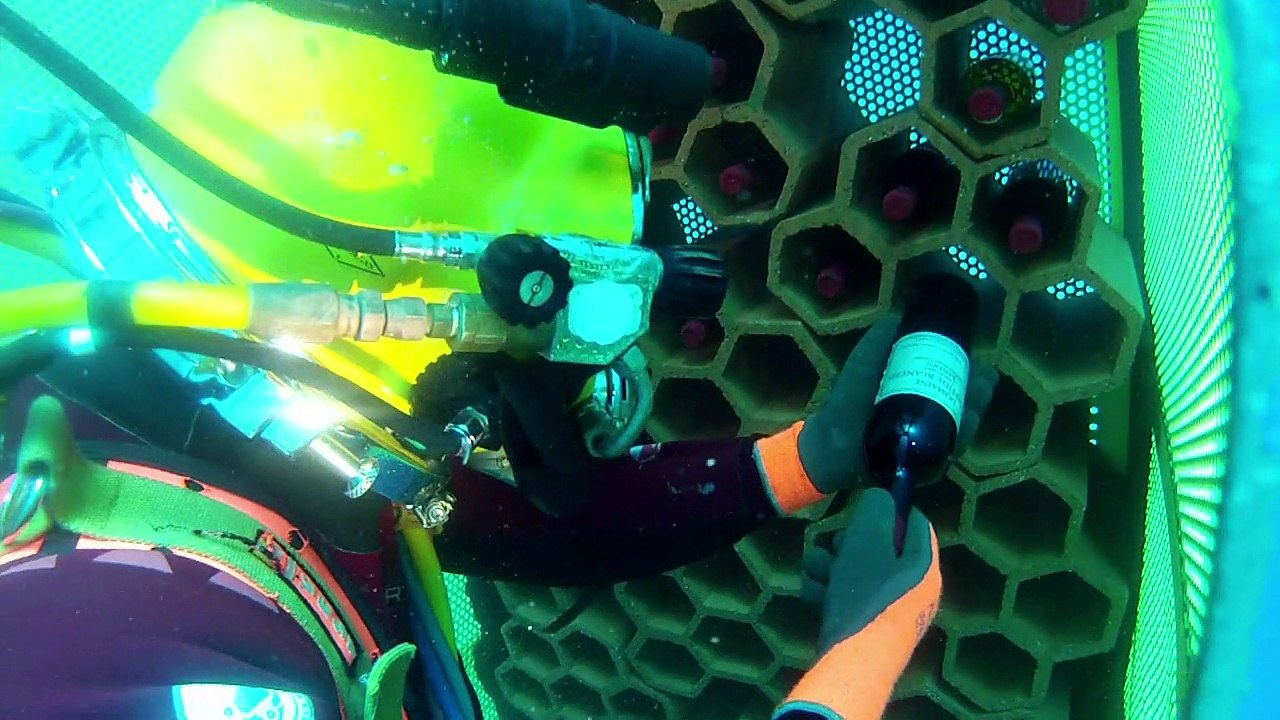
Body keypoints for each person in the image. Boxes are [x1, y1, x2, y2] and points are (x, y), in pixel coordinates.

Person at [0, 3, 995, 717]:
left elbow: (515, 520)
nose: (579, 401)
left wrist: (800, 461)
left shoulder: (201, 433)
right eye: (554, 362)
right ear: (404, 326)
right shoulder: (132, 649)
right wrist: (853, 676)